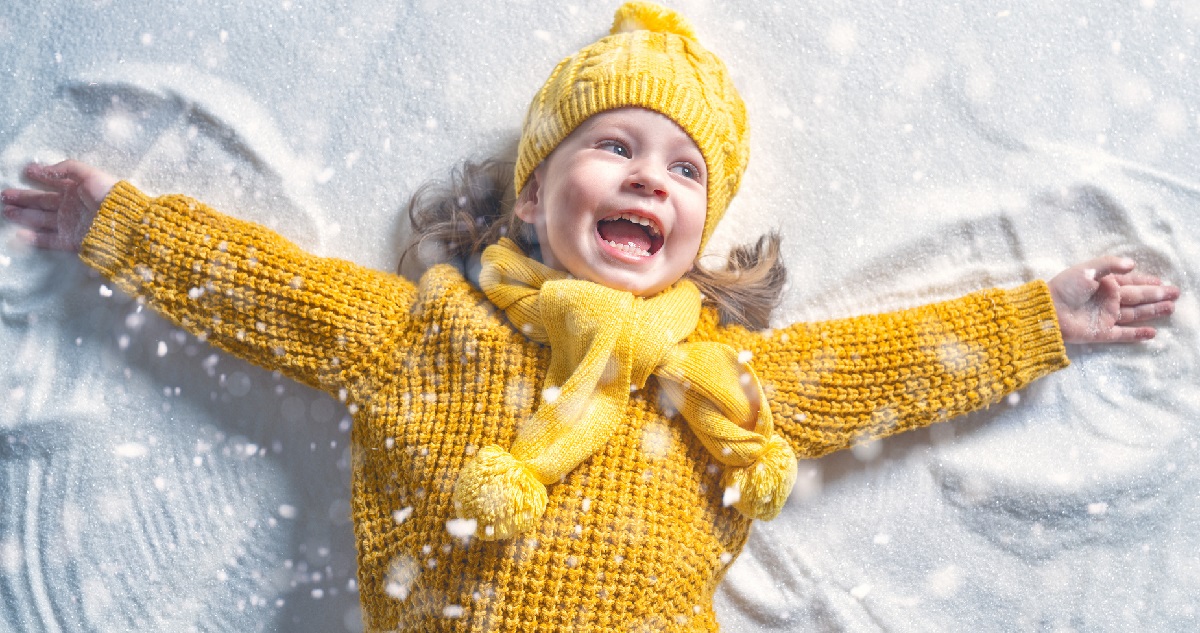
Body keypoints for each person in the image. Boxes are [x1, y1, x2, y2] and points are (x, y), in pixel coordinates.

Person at [0, 2, 1180, 631]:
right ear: (529, 193)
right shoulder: (424, 330)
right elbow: (262, 289)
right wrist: (120, 226)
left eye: (682, 170)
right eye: (611, 144)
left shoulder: (717, 378)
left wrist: (1047, 319)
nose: (645, 178)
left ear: (698, 240)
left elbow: (883, 366)